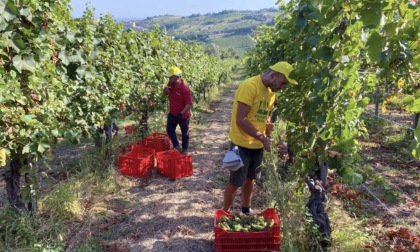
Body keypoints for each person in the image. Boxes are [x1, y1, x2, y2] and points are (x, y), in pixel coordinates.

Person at [222, 61, 298, 213]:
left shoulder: (271, 93)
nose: (282, 88)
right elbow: (241, 119)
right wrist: (262, 138)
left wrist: (268, 129)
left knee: (250, 179)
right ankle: (225, 212)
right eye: (283, 83)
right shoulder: (249, 86)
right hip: (241, 144)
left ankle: (245, 209)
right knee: (236, 182)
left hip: (257, 145)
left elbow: (263, 117)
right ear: (272, 75)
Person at [163, 66, 193, 155]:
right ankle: (176, 146)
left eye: (170, 77)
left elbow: (189, 104)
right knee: (170, 130)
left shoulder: (185, 89)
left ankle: (184, 148)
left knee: (185, 133)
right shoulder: (170, 84)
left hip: (183, 116)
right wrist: (165, 91)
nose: (169, 79)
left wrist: (180, 114)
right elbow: (166, 94)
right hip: (172, 114)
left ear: (176, 77)